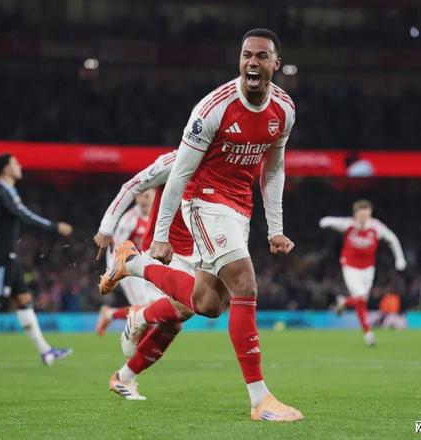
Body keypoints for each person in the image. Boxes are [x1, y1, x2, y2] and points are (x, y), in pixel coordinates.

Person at [100, 28, 303, 422]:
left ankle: (134, 265)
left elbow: (274, 168)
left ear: (276, 64)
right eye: (246, 55)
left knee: (207, 304)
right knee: (245, 284)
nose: (252, 62)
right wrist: (160, 235)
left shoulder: (284, 109)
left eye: (261, 56)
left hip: (240, 207)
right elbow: (178, 174)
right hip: (204, 201)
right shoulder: (213, 108)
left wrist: (275, 228)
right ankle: (260, 400)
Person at [93, 151, 197, 400]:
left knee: (174, 321)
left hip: (198, 250)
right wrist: (107, 228)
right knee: (187, 304)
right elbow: (131, 185)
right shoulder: (175, 160)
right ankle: (137, 315)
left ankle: (124, 378)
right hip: (161, 253)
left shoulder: (225, 158)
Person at [0, 153, 74, 367]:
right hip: (3, 256)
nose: (20, 166)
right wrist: (54, 227)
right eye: (15, 163)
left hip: (8, 256)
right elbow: (24, 214)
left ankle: (46, 351)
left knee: (24, 300)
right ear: (6, 169)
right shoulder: (4, 191)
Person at [319, 199, 407, 346]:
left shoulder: (376, 227)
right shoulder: (348, 224)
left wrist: (400, 258)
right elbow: (333, 221)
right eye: (361, 214)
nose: (364, 217)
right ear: (356, 214)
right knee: (360, 297)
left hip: (368, 269)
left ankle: (344, 302)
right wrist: (325, 221)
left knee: (362, 300)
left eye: (366, 214)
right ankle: (368, 334)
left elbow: (392, 239)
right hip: (350, 266)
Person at [94, 189, 158, 336]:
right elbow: (114, 248)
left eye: (146, 196)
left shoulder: (160, 215)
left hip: (150, 268)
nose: (142, 200)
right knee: (145, 312)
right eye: (139, 196)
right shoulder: (129, 220)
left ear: (155, 196)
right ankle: (136, 346)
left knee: (156, 308)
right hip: (130, 270)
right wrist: (113, 272)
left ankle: (110, 314)